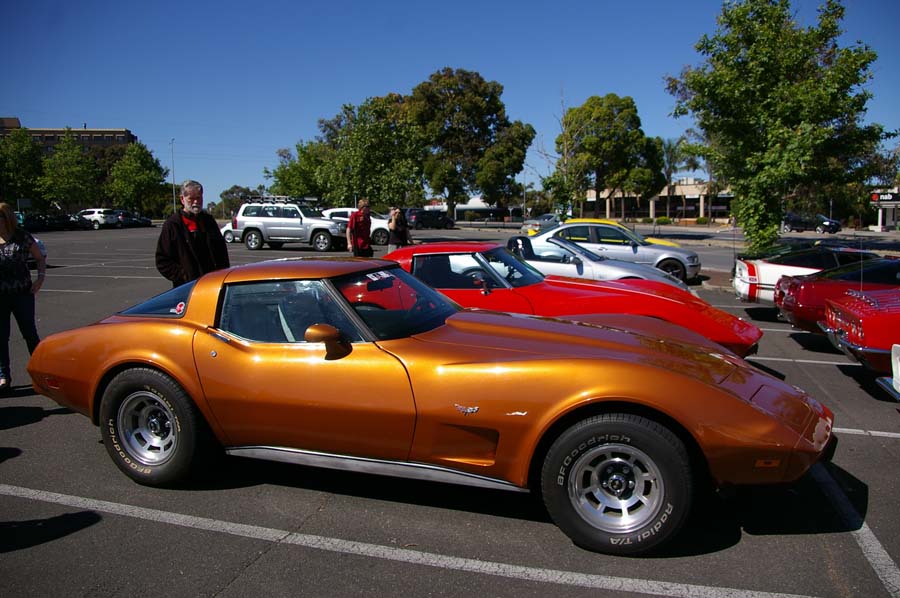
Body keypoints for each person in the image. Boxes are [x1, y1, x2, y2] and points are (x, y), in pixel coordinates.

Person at [0, 202, 45, 391]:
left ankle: (41, 372)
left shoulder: (22, 237)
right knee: (1, 337)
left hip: (22, 293)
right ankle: (3, 376)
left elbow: (39, 258)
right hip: (1, 295)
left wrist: (40, 279)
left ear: (6, 218)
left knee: (29, 333)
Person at [156, 180, 230, 287]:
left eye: (198, 198)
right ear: (182, 199)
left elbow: (221, 252)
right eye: (191, 199)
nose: (196, 202)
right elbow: (162, 261)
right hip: (186, 287)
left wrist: (222, 274)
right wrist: (183, 276)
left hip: (212, 283)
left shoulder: (208, 221)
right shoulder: (173, 224)